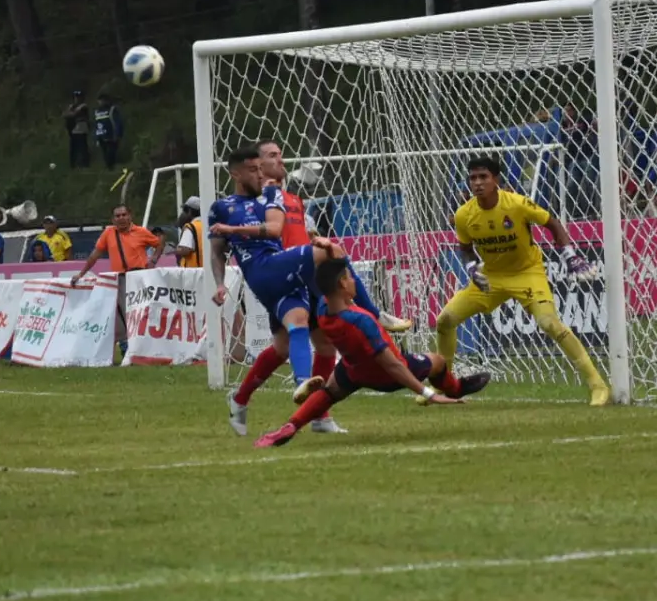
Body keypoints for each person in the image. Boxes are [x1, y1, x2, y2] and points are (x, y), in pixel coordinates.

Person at [209, 145, 398, 432]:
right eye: (265, 160)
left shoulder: (285, 198)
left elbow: (277, 230)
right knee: (332, 253)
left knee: (300, 340)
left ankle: (297, 406)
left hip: (297, 269)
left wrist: (310, 239)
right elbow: (217, 250)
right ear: (238, 172)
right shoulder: (227, 206)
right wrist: (220, 283)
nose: (273, 163)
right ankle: (373, 314)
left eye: (272, 160)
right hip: (277, 270)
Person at [253, 258, 491, 449]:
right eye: (350, 276)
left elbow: (327, 278)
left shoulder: (323, 308)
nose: (355, 280)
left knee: (331, 391)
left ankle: (291, 425)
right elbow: (393, 366)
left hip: (353, 368)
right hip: (385, 375)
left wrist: (326, 250)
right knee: (437, 361)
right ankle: (456, 388)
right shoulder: (362, 321)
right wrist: (428, 393)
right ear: (343, 285)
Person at [434, 156, 611, 406]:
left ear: (496, 180)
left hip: (527, 273)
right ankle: (445, 385)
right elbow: (466, 247)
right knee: (445, 320)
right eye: (473, 178)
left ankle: (598, 385)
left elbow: (552, 223)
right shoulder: (464, 214)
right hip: (493, 278)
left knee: (549, 323)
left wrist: (570, 257)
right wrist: (472, 267)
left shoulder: (517, 204)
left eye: (483, 177)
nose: (477, 183)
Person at [70, 204, 161, 282]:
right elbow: (94, 256)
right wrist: (81, 274)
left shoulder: (141, 231)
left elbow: (159, 244)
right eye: (117, 216)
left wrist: (154, 259)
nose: (121, 218)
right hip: (119, 279)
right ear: (113, 219)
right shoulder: (108, 233)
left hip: (140, 277)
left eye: (124, 215)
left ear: (130, 216)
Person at [93, 93, 125, 169]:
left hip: (111, 135)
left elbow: (118, 122)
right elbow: (96, 124)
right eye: (100, 101)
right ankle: (108, 167)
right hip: (101, 136)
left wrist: (118, 134)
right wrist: (96, 137)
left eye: (103, 100)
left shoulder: (112, 109)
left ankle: (112, 167)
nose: (101, 102)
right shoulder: (97, 111)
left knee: (111, 152)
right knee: (105, 153)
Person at [63, 91, 91, 168]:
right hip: (74, 130)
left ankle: (85, 164)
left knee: (82, 147)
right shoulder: (72, 106)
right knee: (73, 149)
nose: (77, 99)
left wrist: (70, 113)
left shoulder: (83, 106)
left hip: (82, 129)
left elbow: (73, 114)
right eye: (76, 97)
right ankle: (73, 164)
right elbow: (65, 114)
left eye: (78, 97)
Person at [175, 196, 204, 268]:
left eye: (185, 210)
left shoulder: (191, 227)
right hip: (209, 271)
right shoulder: (209, 225)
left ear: (189, 211)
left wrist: (177, 250)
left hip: (193, 272)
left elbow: (185, 250)